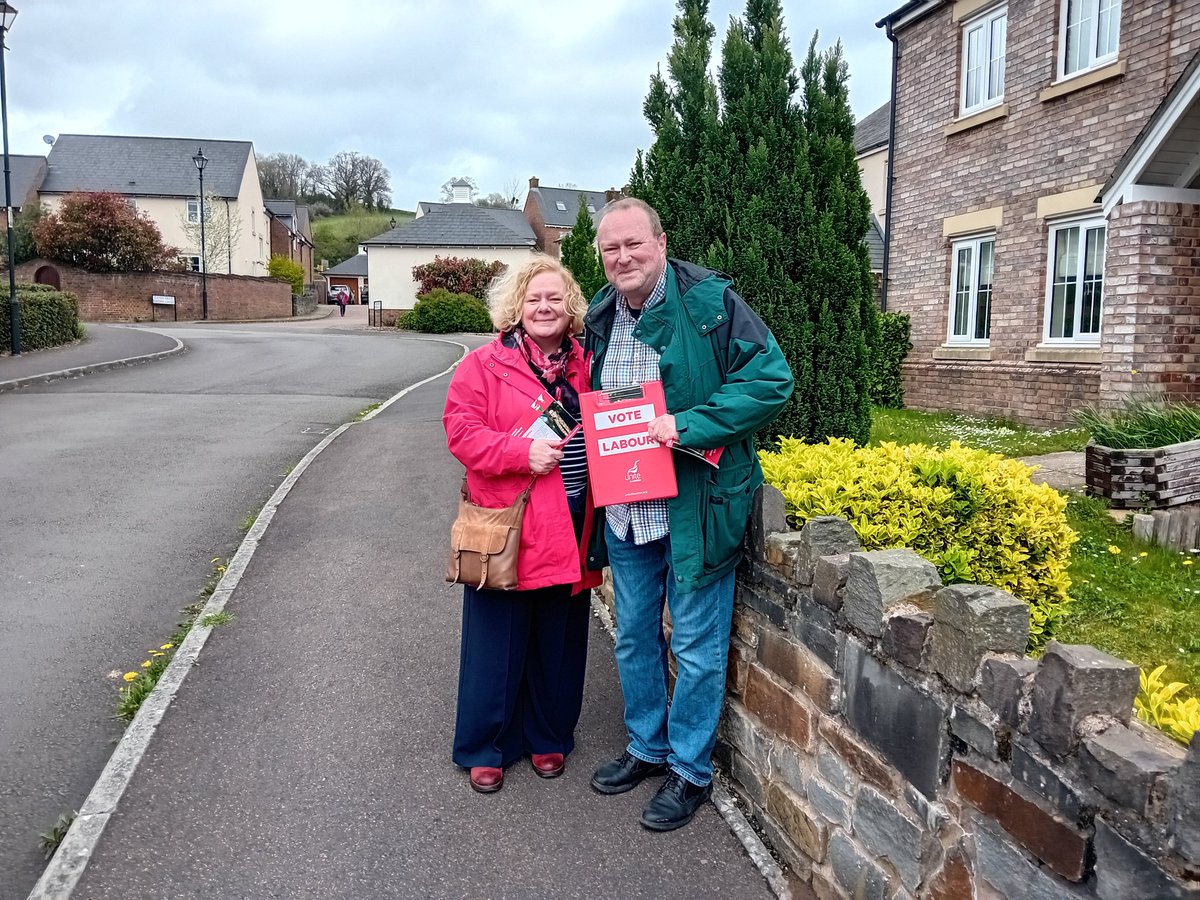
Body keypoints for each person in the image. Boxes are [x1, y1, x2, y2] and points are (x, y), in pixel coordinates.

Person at [583, 198, 793, 831]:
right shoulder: (601, 312)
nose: (623, 257)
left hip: (695, 507)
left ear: (661, 242)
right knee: (633, 636)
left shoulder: (710, 304)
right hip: (627, 509)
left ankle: (690, 770)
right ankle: (647, 746)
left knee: (697, 648)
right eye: (611, 247)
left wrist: (688, 423)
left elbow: (771, 381)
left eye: (633, 244)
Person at [442, 254, 600, 794]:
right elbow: (461, 433)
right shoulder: (482, 365)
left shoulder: (588, 364)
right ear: (516, 307)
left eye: (555, 298)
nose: (544, 307)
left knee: (558, 640)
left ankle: (548, 736)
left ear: (571, 307)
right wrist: (518, 452)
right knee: (496, 643)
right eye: (534, 299)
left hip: (571, 522)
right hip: (507, 525)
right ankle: (486, 745)